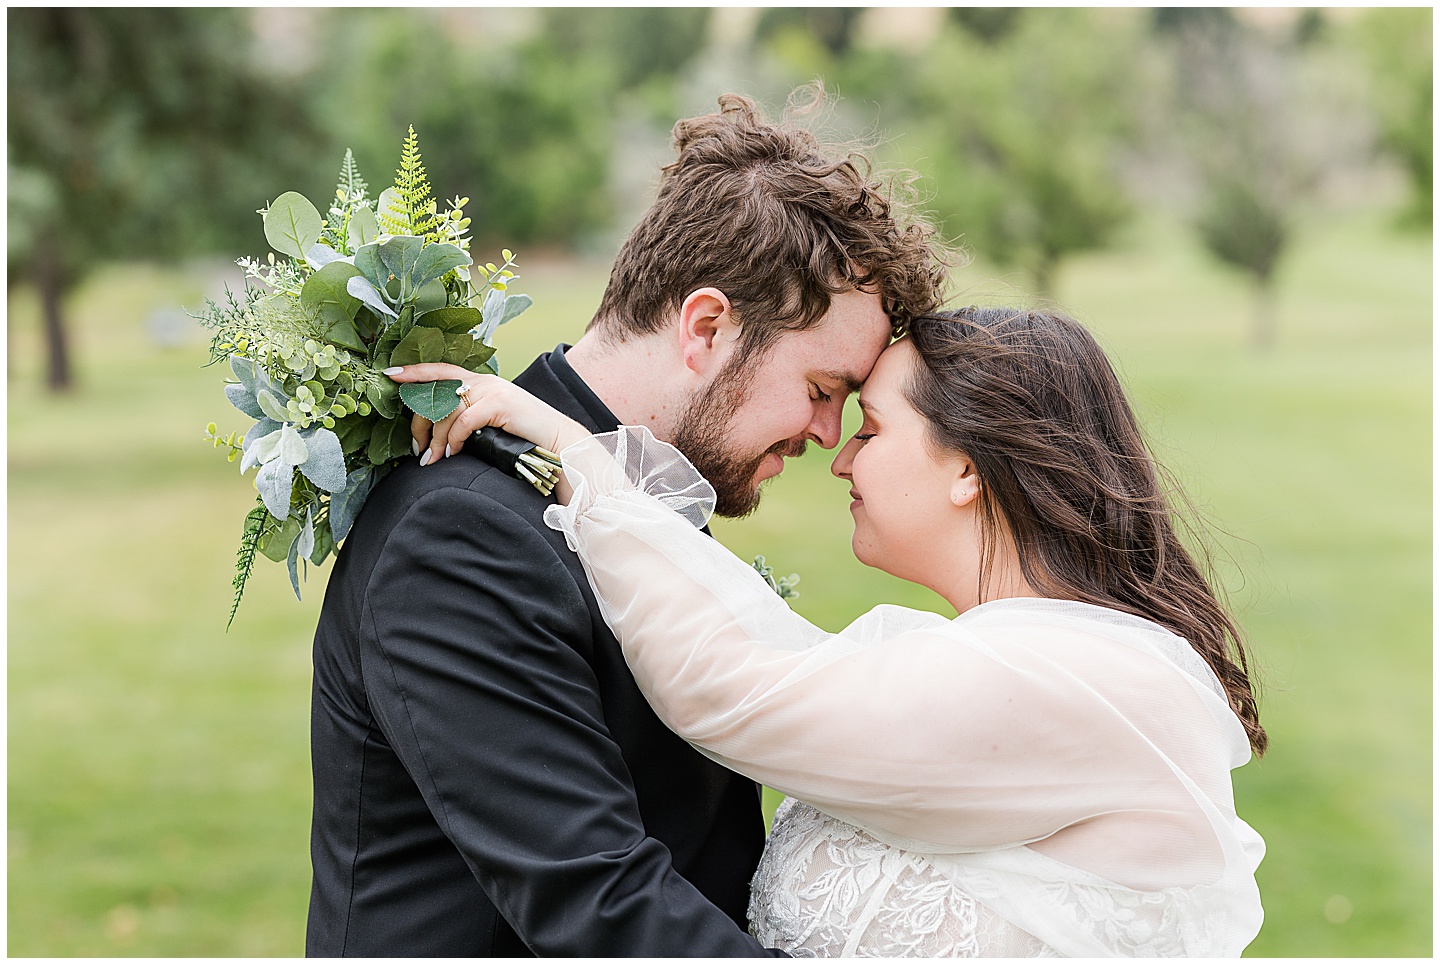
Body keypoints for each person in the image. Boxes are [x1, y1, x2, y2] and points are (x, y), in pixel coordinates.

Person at [390, 305, 1268, 956]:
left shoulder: (1079, 677)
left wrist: (570, 450)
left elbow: (731, 684)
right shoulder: (1025, 655)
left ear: (967, 468)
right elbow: (775, 653)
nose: (839, 454)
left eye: (873, 427)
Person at [305, 90, 944, 956]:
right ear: (707, 327)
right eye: (823, 390)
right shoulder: (460, 534)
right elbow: (600, 903)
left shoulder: (641, 507)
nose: (828, 438)